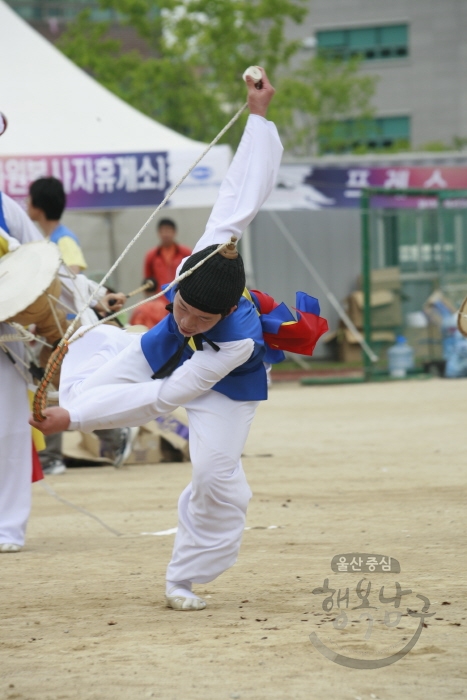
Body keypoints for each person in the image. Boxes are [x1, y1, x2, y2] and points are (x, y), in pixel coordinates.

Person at [30, 69, 327, 608]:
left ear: (226, 311)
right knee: (89, 379)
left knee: (216, 479)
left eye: (200, 318)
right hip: (161, 350)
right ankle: (74, 404)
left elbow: (163, 399)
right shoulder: (205, 257)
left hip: (224, 387)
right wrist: (257, 116)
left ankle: (182, 579)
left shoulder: (235, 341)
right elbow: (241, 193)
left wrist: (71, 423)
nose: (188, 319)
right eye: (183, 307)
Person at [0, 190, 43, 553]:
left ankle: (8, 527)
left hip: (4, 332)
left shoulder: (5, 206)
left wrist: (93, 298)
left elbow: (40, 258)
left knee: (11, 431)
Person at [27, 177, 87, 274]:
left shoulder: (64, 239)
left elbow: (73, 275)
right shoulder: (49, 239)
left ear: (39, 204)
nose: (27, 204)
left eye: (29, 199)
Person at [143, 219, 191, 294]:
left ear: (175, 232)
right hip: (160, 299)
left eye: (168, 231)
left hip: (180, 296)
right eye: (163, 231)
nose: (165, 234)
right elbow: (148, 281)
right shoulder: (151, 255)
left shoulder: (185, 252)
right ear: (158, 233)